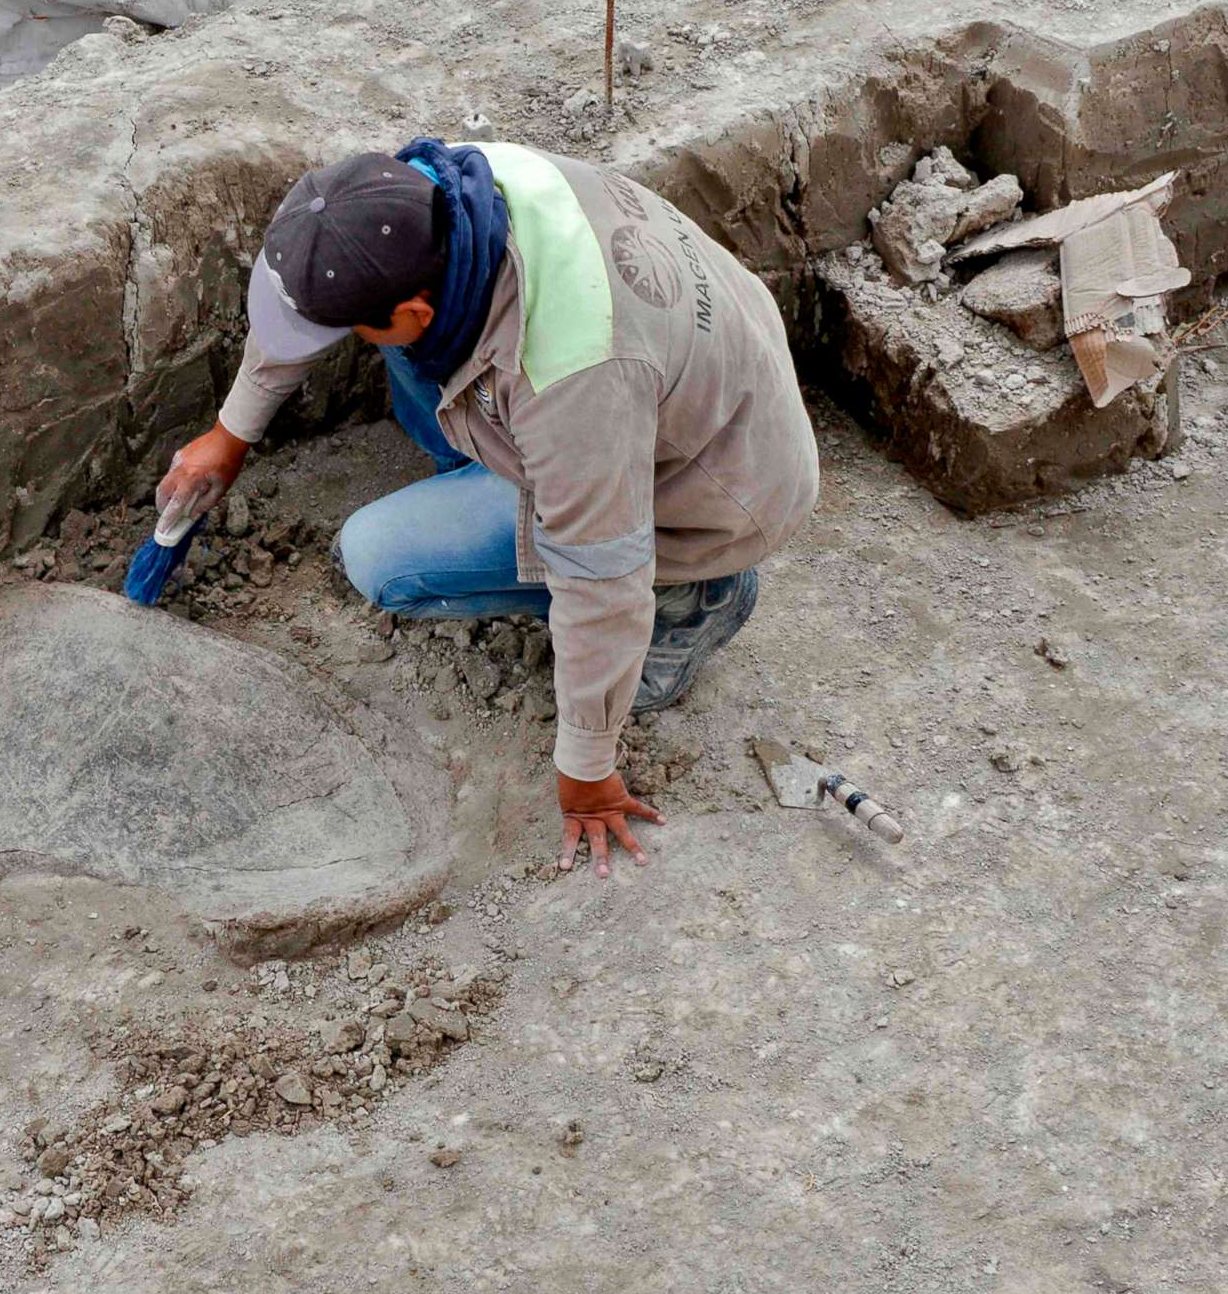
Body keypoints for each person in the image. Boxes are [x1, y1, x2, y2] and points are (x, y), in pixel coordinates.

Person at [155, 141, 817, 876]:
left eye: (363, 324)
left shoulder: (572, 380)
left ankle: (699, 596)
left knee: (380, 560)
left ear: (415, 307)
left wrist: (588, 770)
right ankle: (486, 462)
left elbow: (600, 577)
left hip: (713, 490)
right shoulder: (434, 193)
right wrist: (230, 431)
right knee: (404, 351)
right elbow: (308, 294)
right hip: (695, 377)